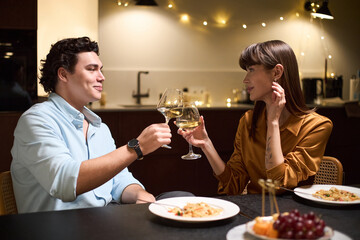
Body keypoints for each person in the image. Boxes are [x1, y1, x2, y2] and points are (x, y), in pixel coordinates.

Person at [10, 36, 185, 213]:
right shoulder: (37, 120)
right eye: (92, 69)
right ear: (63, 74)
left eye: (100, 70)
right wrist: (136, 148)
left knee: (181, 197)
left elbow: (118, 179)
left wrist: (139, 194)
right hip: (61, 227)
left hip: (102, 220)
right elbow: (65, 182)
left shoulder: (99, 127)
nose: (102, 77)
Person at [177, 40, 333, 195]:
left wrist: (273, 122)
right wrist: (206, 144)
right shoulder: (248, 121)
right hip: (255, 213)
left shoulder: (317, 126)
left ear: (277, 73)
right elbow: (233, 185)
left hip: (293, 215)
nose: (245, 79)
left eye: (251, 69)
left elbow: (278, 183)